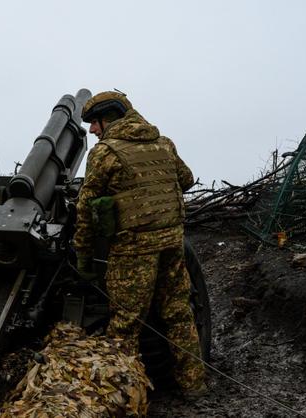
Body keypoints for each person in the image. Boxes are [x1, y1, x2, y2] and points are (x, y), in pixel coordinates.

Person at [72, 91, 206, 397]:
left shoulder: (106, 152)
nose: (92, 130)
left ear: (110, 119)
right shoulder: (163, 143)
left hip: (133, 250)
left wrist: (83, 255)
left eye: (95, 122)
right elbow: (185, 179)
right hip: (172, 242)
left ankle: (125, 399)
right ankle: (194, 385)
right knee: (179, 314)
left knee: (124, 326)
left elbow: (85, 207)